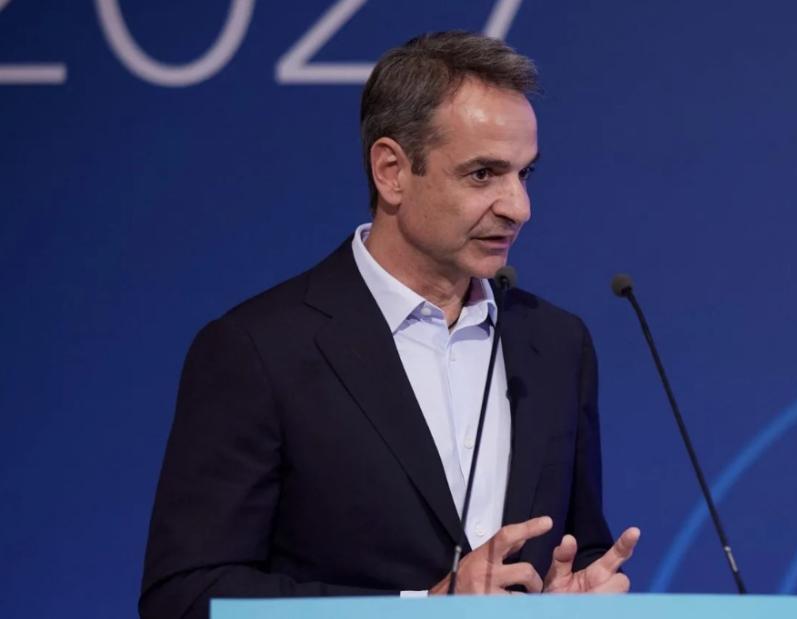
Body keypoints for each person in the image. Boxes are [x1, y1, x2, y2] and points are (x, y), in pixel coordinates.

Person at [139, 31, 639, 619]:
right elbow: (186, 597)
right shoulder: (260, 350)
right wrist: (420, 610)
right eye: (483, 174)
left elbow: (578, 545)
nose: (518, 207)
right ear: (391, 171)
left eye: (524, 174)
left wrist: (575, 595)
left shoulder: (556, 344)